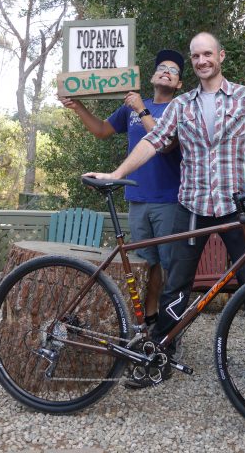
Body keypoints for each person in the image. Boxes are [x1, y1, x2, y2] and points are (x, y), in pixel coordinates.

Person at [84, 32, 245, 405]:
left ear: (221, 56)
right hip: (192, 205)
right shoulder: (182, 105)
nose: (201, 60)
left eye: (207, 54)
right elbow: (154, 142)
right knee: (175, 286)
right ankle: (161, 357)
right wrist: (117, 175)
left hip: (238, 204)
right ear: (193, 62)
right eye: (195, 56)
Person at [60, 49, 184, 331]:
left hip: (168, 201)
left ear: (178, 85)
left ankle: (170, 331)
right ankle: (151, 321)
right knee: (147, 265)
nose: (166, 70)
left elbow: (167, 143)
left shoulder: (179, 108)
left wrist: (142, 109)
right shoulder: (131, 106)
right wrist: (77, 106)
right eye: (161, 66)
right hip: (137, 199)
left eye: (173, 70)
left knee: (170, 268)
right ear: (151, 76)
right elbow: (102, 130)